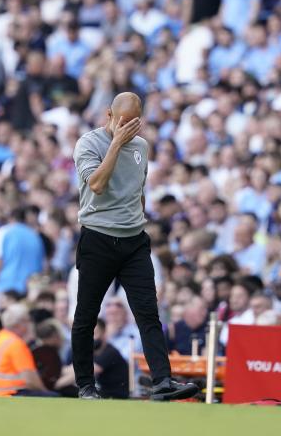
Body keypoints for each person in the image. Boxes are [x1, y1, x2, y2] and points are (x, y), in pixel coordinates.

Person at [71, 92, 198, 401]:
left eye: (134, 124)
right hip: (98, 237)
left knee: (148, 312)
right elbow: (97, 185)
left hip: (133, 240)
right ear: (109, 116)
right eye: (122, 122)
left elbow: (138, 192)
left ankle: (162, 381)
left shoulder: (141, 147)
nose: (128, 129)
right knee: (87, 314)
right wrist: (116, 144)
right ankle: (86, 385)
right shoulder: (89, 144)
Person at [0, 304, 49, 397]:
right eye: (28, 321)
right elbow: (30, 380)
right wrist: (46, 392)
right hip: (10, 394)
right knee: (54, 396)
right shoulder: (16, 344)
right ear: (20, 323)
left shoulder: (1, 337)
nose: (29, 324)